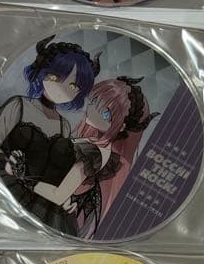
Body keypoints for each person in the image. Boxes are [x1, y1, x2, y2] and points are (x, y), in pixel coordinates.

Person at [0, 36, 100, 234]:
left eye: (72, 87)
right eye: (56, 78)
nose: (61, 89)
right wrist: (5, 163)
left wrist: (65, 197)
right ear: (43, 72)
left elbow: (57, 173)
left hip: (42, 202)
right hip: (5, 186)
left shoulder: (64, 126)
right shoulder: (19, 105)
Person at [27, 77, 155, 238]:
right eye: (94, 102)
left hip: (45, 211)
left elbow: (58, 195)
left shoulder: (92, 153)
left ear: (121, 126)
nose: (93, 110)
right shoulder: (91, 143)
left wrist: (25, 178)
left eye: (106, 113)